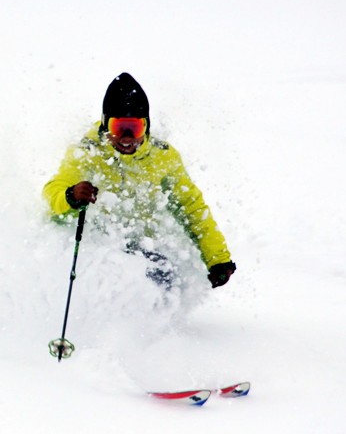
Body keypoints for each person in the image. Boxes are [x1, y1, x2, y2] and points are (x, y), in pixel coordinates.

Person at [43, 72, 236, 289]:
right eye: (118, 128)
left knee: (164, 274)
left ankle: (151, 323)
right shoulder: (87, 151)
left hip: (140, 248)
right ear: (106, 125)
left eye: (135, 128)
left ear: (147, 127)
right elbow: (53, 193)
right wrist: (70, 196)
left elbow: (192, 208)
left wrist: (217, 259)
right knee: (108, 275)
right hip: (96, 245)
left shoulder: (163, 157)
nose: (127, 137)